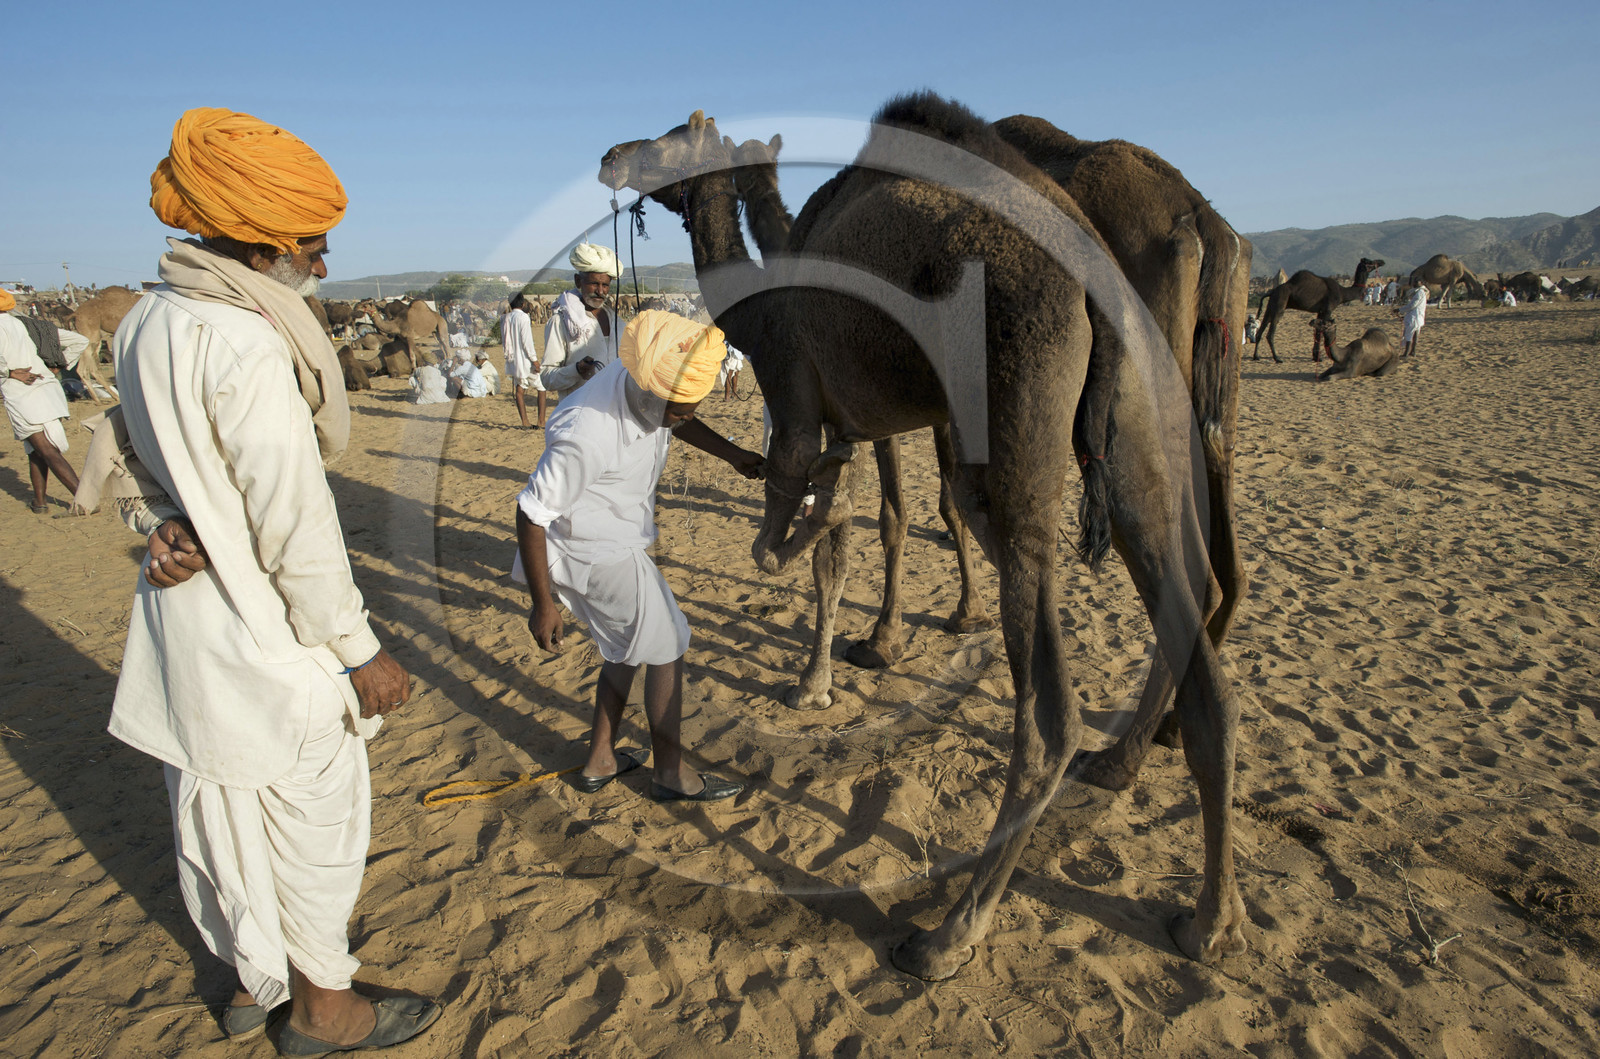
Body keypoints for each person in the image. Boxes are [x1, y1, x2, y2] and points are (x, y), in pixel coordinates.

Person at [102, 107, 441, 1054]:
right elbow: (295, 523)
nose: (323, 267)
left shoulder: (149, 319)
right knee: (312, 819)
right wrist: (361, 650)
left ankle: (254, 986)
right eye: (314, 247)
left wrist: (158, 522)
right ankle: (325, 1010)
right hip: (268, 630)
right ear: (266, 242)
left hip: (185, 619)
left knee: (218, 809)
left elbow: (126, 452)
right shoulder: (244, 342)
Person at [514, 311, 764, 801]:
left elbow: (678, 418)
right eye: (679, 410)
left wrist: (732, 454)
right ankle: (670, 773)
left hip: (616, 535)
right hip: (594, 549)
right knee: (668, 643)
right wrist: (542, 606)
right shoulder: (587, 434)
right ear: (653, 391)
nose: (684, 417)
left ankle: (600, 760)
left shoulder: (646, 383)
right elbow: (530, 514)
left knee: (626, 648)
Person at [0, 288, 86, 512]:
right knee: (34, 449)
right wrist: (57, 367)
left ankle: (84, 500)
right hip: (45, 388)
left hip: (22, 393)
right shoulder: (19, 323)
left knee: (46, 450)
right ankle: (39, 502)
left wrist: (9, 373)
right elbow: (77, 341)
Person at [540, 243, 621, 402]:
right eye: (594, 283)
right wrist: (576, 370)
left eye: (605, 285)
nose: (600, 291)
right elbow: (546, 378)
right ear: (578, 281)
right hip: (578, 412)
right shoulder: (561, 322)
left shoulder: (618, 323)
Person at [501, 293, 541, 429]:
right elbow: (527, 341)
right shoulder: (523, 317)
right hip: (525, 359)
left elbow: (506, 341)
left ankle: (525, 421)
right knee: (541, 387)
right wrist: (534, 360)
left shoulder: (506, 318)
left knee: (520, 389)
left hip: (514, 360)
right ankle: (541, 421)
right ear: (523, 303)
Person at [1400, 280, 1428, 356]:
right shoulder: (1418, 292)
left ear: (1421, 283)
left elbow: (1412, 305)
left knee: (1409, 334)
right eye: (1414, 282)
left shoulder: (1419, 293)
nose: (1414, 283)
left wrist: (1400, 310)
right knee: (1415, 334)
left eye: (1416, 282)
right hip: (1416, 316)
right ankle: (1413, 351)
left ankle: (1406, 353)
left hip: (1414, 317)